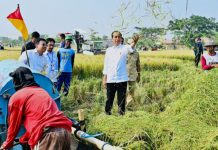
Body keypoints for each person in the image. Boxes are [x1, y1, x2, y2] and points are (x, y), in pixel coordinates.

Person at [0, 67, 72, 150]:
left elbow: (14, 126)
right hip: (65, 132)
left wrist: (7, 144)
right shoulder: (42, 91)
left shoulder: (17, 96)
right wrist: (24, 137)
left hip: (49, 136)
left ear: (17, 81)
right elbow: (40, 121)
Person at [102, 31, 139, 115]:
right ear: (112, 39)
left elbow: (132, 47)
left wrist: (135, 41)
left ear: (121, 39)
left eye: (119, 37)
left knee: (121, 100)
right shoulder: (108, 50)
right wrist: (104, 78)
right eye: (115, 37)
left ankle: (121, 115)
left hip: (122, 79)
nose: (117, 39)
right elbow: (106, 65)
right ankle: (107, 114)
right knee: (109, 99)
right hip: (111, 79)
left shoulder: (125, 48)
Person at [126, 38, 141, 107]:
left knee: (132, 90)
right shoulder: (123, 52)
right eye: (130, 43)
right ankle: (125, 104)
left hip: (133, 75)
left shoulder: (136, 53)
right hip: (123, 75)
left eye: (133, 43)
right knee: (124, 91)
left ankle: (131, 105)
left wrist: (139, 75)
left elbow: (138, 65)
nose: (132, 44)